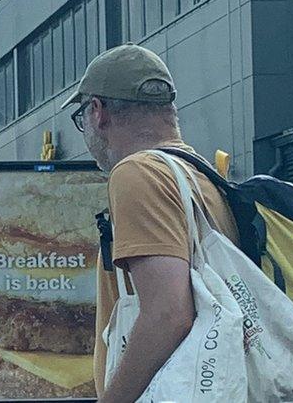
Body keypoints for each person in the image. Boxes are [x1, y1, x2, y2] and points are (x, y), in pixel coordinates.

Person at [61, 43, 241, 402]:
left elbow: (168, 313)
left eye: (82, 116)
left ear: (97, 112)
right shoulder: (199, 175)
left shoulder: (137, 172)